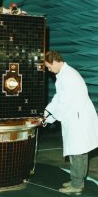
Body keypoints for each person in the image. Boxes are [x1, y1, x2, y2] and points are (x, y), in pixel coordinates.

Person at [44, 50, 98, 195]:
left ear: (55, 62)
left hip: (78, 120)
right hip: (75, 118)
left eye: (49, 66)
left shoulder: (69, 76)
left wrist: (49, 118)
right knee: (76, 153)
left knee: (78, 153)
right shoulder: (63, 75)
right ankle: (77, 180)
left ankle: (77, 185)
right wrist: (46, 113)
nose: (49, 70)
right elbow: (58, 97)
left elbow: (64, 103)